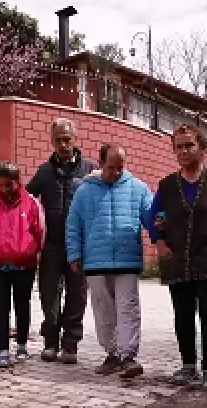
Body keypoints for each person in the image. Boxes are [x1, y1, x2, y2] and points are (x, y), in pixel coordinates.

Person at [147, 124, 207, 392]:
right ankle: (188, 365)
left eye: (189, 145)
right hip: (179, 259)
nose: (183, 151)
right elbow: (151, 216)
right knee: (182, 315)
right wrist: (158, 240)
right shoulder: (167, 185)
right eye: (178, 146)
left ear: (202, 149)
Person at [66, 144, 153, 378]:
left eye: (120, 167)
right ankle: (112, 354)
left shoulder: (139, 189)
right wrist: (74, 254)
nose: (116, 172)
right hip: (95, 262)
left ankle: (128, 357)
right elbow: (73, 225)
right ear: (101, 163)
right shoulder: (84, 191)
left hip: (127, 260)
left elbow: (151, 218)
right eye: (111, 167)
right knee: (103, 311)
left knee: (128, 308)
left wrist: (160, 226)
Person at [26, 118, 97, 364]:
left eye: (67, 139)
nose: (64, 144)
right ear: (52, 141)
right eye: (59, 140)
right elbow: (26, 197)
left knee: (77, 296)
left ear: (75, 139)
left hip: (80, 247)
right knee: (49, 295)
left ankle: (70, 345)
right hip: (52, 246)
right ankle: (50, 343)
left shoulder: (90, 170)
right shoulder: (45, 172)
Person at [0, 161, 45, 368]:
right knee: (1, 308)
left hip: (24, 266)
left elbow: (40, 233)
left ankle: (21, 346)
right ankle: (2, 349)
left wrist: (33, 254)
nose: (4, 189)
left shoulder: (31, 204)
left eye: (8, 185)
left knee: (22, 306)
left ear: (17, 182)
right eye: (0, 185)